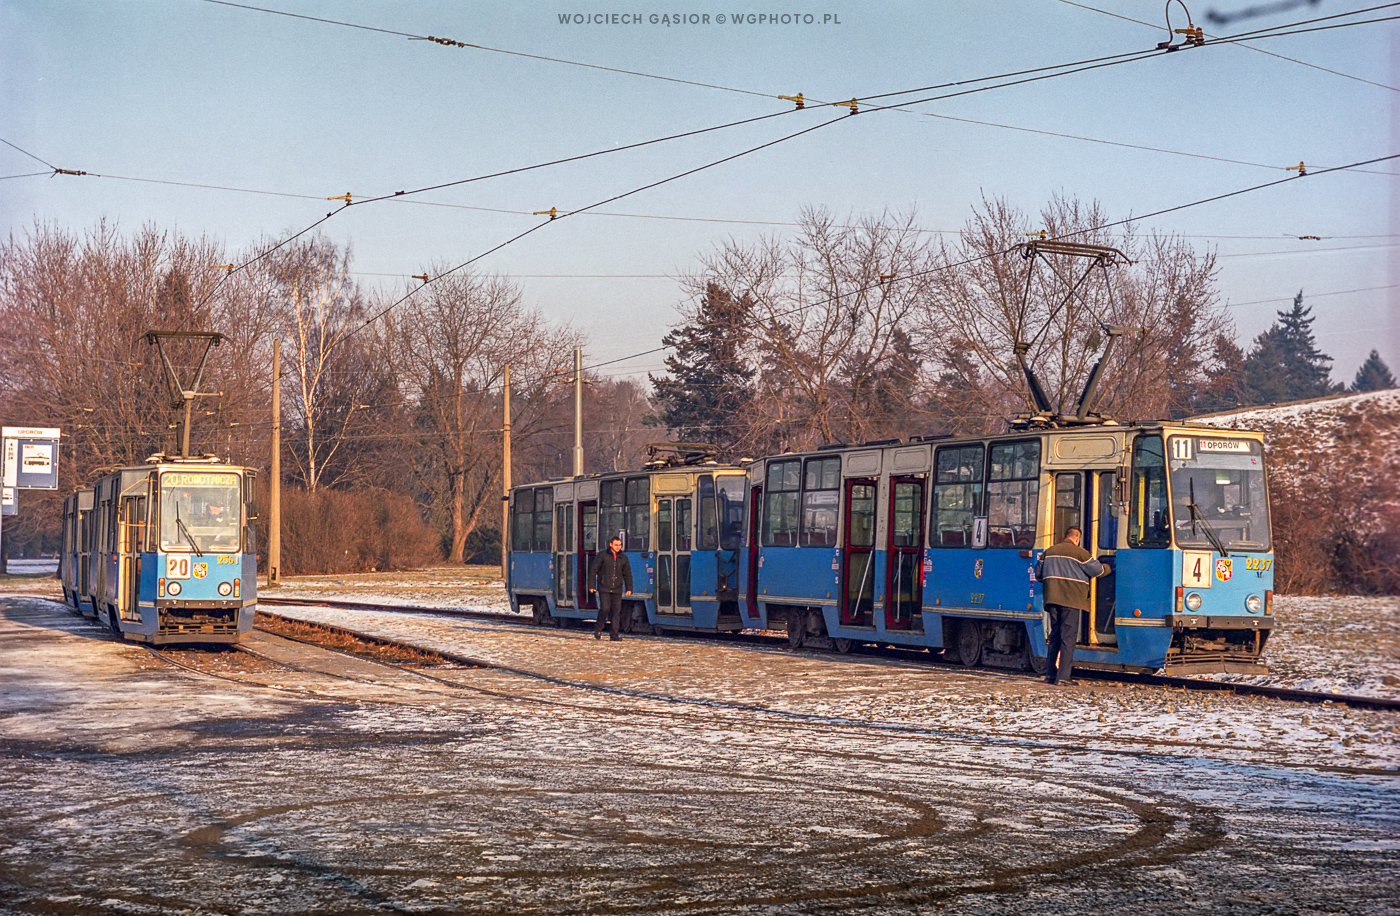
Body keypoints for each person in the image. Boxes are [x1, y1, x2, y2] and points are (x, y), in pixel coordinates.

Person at [1034, 527, 1109, 686]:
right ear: (1077, 539)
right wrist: (1109, 567)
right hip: (1071, 600)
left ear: (1065, 536)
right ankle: (1063, 677)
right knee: (1068, 638)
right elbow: (1098, 570)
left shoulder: (1049, 552)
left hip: (1052, 599)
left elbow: (1038, 574)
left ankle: (1050, 675)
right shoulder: (1080, 553)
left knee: (1055, 635)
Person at [588, 535, 633, 641]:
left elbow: (627, 574)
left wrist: (629, 588)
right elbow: (593, 570)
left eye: (620, 545)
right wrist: (591, 586)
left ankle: (614, 635)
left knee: (616, 612)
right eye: (616, 545)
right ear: (610, 545)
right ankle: (598, 628)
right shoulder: (602, 555)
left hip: (617, 588)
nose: (618, 547)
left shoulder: (623, 558)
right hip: (604, 587)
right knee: (605, 608)